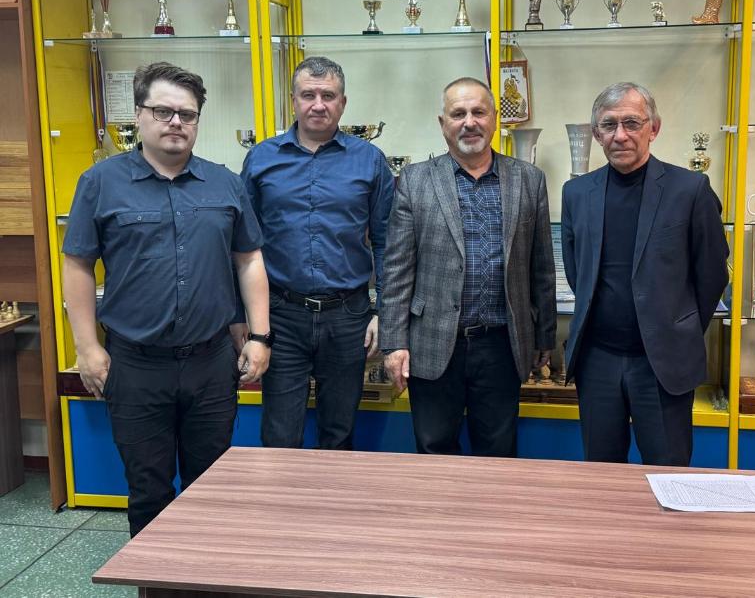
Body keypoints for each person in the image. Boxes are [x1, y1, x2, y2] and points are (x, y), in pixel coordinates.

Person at [63, 62, 271, 537]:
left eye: (187, 114)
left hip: (211, 363)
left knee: (211, 487)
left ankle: (204, 571)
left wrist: (260, 337)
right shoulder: (100, 182)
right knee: (148, 488)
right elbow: (77, 266)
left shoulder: (225, 183)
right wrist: (87, 347)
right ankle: (150, 575)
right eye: (163, 111)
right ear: (139, 115)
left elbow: (249, 260)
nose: (176, 122)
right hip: (135, 366)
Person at [380, 77, 556, 457]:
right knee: (434, 450)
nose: (469, 122)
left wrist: (545, 336)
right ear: (442, 123)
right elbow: (396, 271)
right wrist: (393, 343)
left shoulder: (528, 180)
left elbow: (541, 267)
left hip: (501, 345)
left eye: (478, 112)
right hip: (433, 342)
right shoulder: (415, 181)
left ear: (494, 119)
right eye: (458, 114)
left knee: (498, 454)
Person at [561, 81, 729, 467]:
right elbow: (576, 270)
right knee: (602, 474)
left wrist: (677, 326)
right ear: (596, 133)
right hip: (597, 361)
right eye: (609, 125)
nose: (620, 135)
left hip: (663, 363)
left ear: (653, 128)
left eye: (632, 123)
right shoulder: (577, 193)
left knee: (669, 472)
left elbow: (711, 274)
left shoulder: (690, 189)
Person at [237, 56, 394, 450]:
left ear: (343, 103)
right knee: (279, 435)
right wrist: (243, 318)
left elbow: (386, 242)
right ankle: (282, 495)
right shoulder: (261, 159)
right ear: (293, 101)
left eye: (328, 95)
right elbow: (241, 246)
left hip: (349, 317)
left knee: (339, 434)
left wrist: (383, 311)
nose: (318, 104)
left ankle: (334, 493)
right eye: (308, 95)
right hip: (281, 315)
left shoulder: (370, 161)